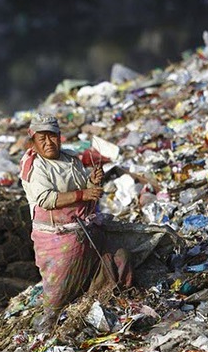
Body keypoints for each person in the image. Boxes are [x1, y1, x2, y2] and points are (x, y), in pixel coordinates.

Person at [19, 115, 132, 331]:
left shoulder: (71, 159)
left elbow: (83, 187)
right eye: (42, 139)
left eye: (53, 137)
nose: (48, 143)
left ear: (60, 138)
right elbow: (46, 199)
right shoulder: (35, 166)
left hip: (85, 228)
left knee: (117, 259)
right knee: (59, 288)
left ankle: (103, 301)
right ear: (33, 141)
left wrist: (93, 181)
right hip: (57, 237)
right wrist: (84, 193)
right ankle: (51, 321)